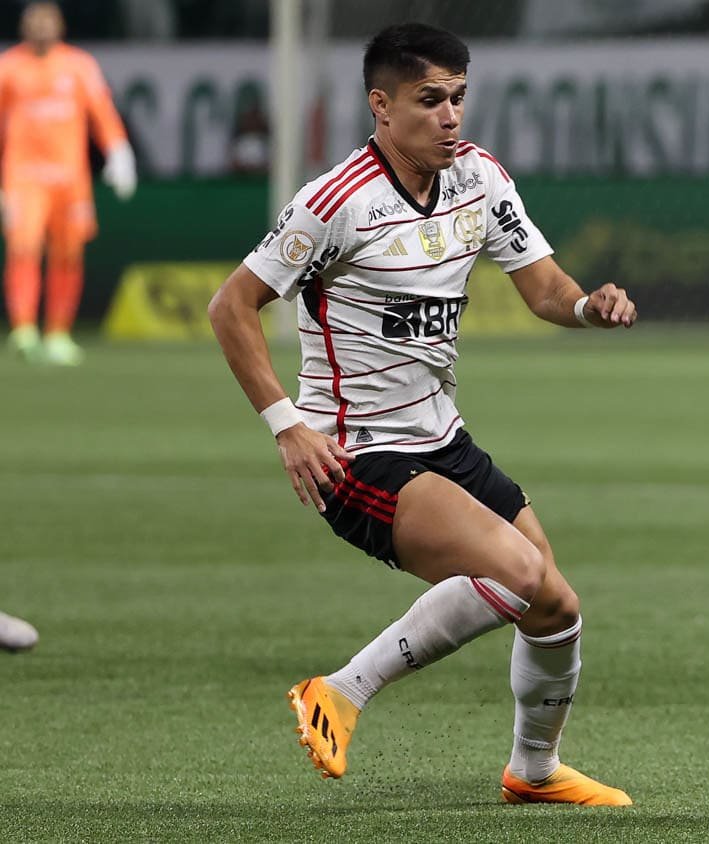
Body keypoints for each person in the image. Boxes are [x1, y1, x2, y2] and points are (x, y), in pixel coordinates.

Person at [207, 23, 635, 806]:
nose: (450, 117)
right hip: (355, 451)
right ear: (381, 105)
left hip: (443, 437)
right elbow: (231, 306)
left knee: (557, 606)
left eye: (459, 99)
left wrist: (585, 306)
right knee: (516, 573)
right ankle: (339, 690)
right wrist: (286, 425)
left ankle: (532, 773)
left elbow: (542, 288)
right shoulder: (335, 202)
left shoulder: (479, 179)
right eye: (430, 100)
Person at [0, 1, 136, 366]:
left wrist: (119, 152)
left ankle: (58, 332)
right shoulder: (8, 67)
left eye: (48, 21)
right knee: (24, 247)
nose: (41, 27)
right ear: (23, 27)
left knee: (69, 252)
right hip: (23, 177)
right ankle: (24, 328)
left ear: (59, 25)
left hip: (70, 179)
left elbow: (101, 113)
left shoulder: (79, 65)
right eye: (34, 21)